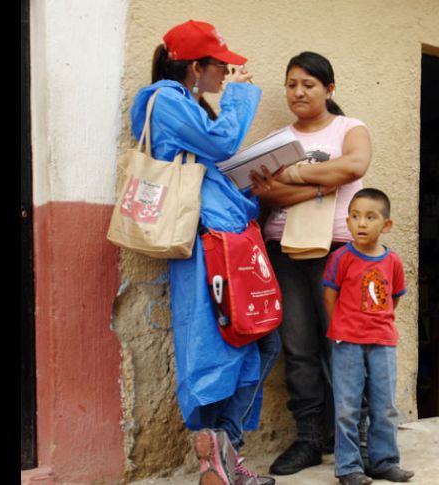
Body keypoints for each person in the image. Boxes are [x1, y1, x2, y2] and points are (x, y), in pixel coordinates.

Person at [129, 20, 280, 484]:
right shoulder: (166, 99)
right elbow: (221, 142)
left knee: (259, 336)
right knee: (220, 341)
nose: (227, 77)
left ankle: (219, 448)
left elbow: (211, 164)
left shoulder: (186, 105)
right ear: (196, 68)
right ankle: (214, 450)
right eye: (222, 68)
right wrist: (238, 100)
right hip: (206, 242)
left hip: (229, 236)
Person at [256, 52, 373, 476]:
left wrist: (292, 174)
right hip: (285, 250)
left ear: (329, 89)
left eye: (308, 84)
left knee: (342, 345)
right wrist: (321, 182)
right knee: (300, 347)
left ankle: (356, 440)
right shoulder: (276, 137)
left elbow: (355, 165)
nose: (299, 92)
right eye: (291, 84)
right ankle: (309, 438)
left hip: (339, 249)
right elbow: (265, 194)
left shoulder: (350, 128)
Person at [322, 189, 414, 485]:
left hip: (383, 342)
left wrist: (376, 323)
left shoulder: (393, 262)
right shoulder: (340, 258)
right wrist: (345, 325)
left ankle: (384, 461)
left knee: (384, 406)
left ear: (386, 225)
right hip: (347, 341)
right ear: (347, 221)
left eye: (371, 217)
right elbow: (330, 297)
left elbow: (393, 298)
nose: (361, 223)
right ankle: (348, 467)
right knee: (348, 407)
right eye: (355, 216)